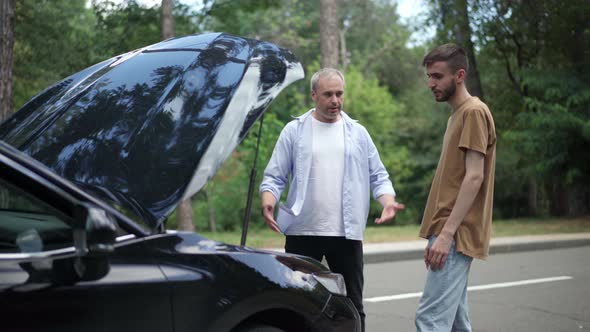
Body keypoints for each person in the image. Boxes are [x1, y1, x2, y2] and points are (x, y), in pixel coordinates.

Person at [259, 68, 404, 331]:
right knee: (296, 303)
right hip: (302, 231)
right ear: (314, 95)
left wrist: (388, 201)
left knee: (352, 304)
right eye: (328, 94)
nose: (335, 100)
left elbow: (378, 175)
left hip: (346, 235)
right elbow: (274, 176)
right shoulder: (294, 131)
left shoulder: (358, 133)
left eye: (339, 94)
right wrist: (268, 200)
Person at [414, 43, 496, 331]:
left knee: (430, 321)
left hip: (455, 233)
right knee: (457, 323)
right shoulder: (458, 114)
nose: (430, 83)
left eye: (437, 76)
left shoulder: (473, 112)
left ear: (459, 75)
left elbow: (475, 176)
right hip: (447, 230)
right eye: (429, 76)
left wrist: (446, 235)